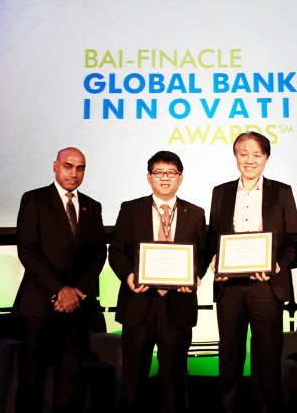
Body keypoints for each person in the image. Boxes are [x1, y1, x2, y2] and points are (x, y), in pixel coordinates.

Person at [108, 151, 210, 413]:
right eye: (159, 173)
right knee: (133, 380)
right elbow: (116, 251)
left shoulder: (195, 213)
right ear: (149, 177)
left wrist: (195, 276)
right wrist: (129, 275)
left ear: (180, 178)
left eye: (171, 173)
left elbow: (203, 252)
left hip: (178, 306)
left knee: (174, 380)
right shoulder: (130, 209)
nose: (165, 178)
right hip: (138, 303)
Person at [208, 132, 297, 413]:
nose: (250, 160)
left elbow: (293, 240)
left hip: (267, 286)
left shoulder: (282, 191)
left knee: (268, 358)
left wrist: (276, 265)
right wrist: (216, 260)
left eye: (256, 154)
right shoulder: (220, 192)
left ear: (266, 158)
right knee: (229, 357)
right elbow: (215, 236)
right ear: (235, 156)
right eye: (243, 154)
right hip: (230, 287)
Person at [14, 147, 107, 413]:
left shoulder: (93, 205)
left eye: (80, 168)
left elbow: (99, 253)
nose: (74, 173)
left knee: (71, 380)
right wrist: (59, 291)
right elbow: (28, 250)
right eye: (68, 166)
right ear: (55, 166)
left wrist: (76, 292)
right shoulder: (34, 199)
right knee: (32, 378)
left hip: (76, 308)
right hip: (39, 305)